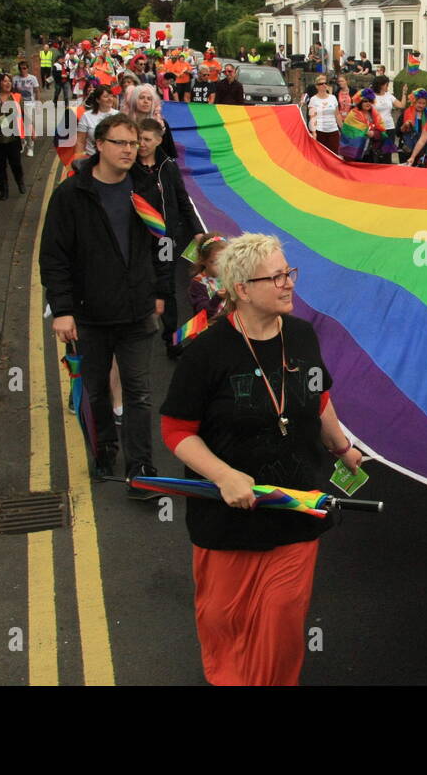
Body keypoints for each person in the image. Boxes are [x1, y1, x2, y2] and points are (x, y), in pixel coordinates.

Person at [159, 233, 363, 685]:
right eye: (275, 277)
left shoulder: (303, 335)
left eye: (288, 273)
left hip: (296, 506)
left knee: (281, 622)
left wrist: (342, 447)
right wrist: (224, 474)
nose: (288, 284)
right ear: (242, 289)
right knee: (223, 621)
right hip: (227, 516)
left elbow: (319, 396)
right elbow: (176, 430)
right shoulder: (207, 353)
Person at [40, 113, 170, 493]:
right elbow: (54, 257)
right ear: (100, 145)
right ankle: (103, 451)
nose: (130, 150)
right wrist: (62, 310)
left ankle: (141, 469)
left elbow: (162, 242)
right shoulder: (72, 194)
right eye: (121, 143)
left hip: (137, 312)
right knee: (96, 391)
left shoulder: (145, 188)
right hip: (90, 313)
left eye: (134, 143)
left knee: (139, 392)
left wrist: (161, 292)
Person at [137, 117, 202, 357]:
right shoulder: (131, 169)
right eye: (139, 139)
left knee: (167, 287)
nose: (141, 144)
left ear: (158, 141)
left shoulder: (168, 167)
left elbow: (184, 200)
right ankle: (137, 334)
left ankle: (171, 340)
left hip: (167, 240)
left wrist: (197, 231)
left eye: (146, 139)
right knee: (143, 283)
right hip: (139, 240)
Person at [187, 233, 229, 320]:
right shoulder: (198, 283)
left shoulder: (229, 276)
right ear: (203, 261)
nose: (221, 266)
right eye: (215, 262)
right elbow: (203, 313)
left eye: (224, 260)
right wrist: (217, 298)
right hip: (208, 328)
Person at [370, 76, 406, 163]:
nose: (388, 86)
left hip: (389, 128)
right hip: (377, 128)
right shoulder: (371, 96)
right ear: (381, 85)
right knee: (376, 152)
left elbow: (401, 105)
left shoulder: (389, 96)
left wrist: (404, 93)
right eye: (386, 84)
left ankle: (386, 171)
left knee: (387, 153)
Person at [339, 89, 381, 161]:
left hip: (370, 151)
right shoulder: (353, 115)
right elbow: (347, 133)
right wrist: (364, 132)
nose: (368, 103)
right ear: (360, 102)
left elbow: (381, 131)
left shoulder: (375, 114)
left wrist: (374, 134)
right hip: (353, 152)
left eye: (370, 101)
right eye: (365, 101)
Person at [77, 86, 117, 157]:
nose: (110, 99)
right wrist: (78, 159)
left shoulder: (118, 115)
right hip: (91, 157)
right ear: (98, 100)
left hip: (113, 158)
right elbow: (80, 141)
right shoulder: (86, 116)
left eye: (111, 96)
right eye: (106, 96)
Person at [307, 75, 341, 154]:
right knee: (321, 155)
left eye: (325, 83)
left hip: (333, 130)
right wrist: (314, 133)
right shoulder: (313, 99)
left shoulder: (333, 98)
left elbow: (337, 114)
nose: (324, 85)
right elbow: (312, 118)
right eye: (321, 84)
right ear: (317, 86)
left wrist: (342, 128)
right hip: (320, 131)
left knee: (334, 155)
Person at [398, 88, 427, 162]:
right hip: (407, 148)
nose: (421, 105)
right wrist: (404, 126)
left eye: (424, 103)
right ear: (414, 102)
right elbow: (398, 132)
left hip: (422, 149)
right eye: (419, 103)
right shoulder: (406, 113)